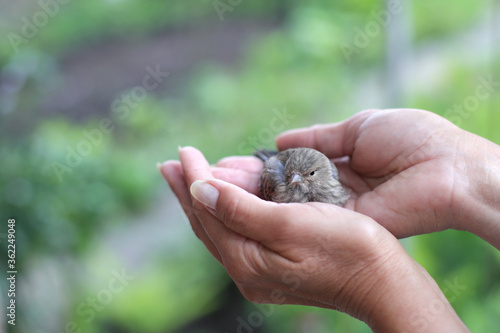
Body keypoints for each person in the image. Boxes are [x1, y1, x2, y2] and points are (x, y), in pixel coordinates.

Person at [159, 109, 500, 332]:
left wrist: (368, 280)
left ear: (321, 173)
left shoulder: (330, 180)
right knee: (272, 165)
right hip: (277, 161)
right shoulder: (280, 182)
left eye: (305, 176)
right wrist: (463, 170)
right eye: (293, 177)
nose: (295, 183)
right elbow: (284, 172)